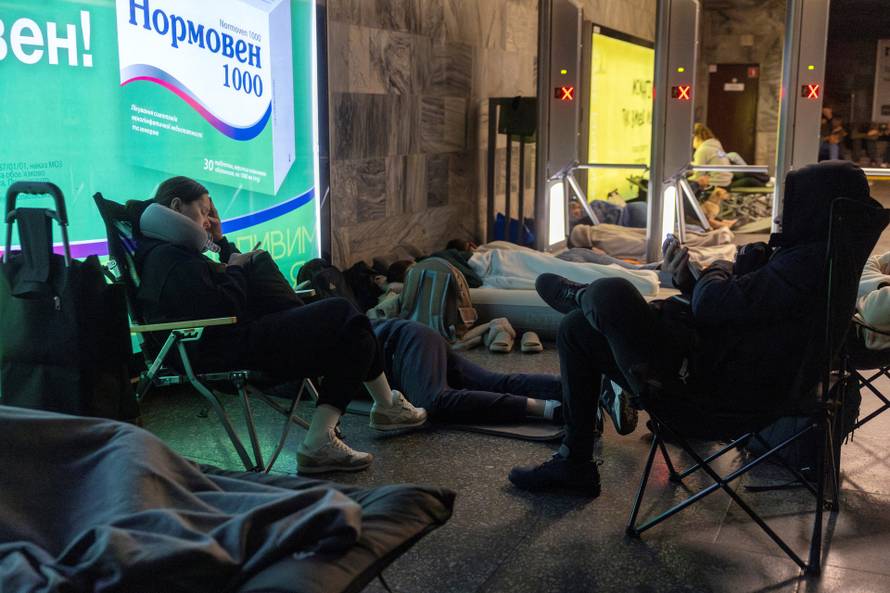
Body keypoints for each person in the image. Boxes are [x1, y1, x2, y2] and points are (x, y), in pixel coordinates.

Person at [508, 161, 870, 496]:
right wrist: (690, 281)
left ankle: (588, 302)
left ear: (816, 208)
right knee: (576, 330)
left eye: (792, 202)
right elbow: (738, 312)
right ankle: (575, 463)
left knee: (611, 291)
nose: (780, 214)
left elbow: (716, 303)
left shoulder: (808, 266)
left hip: (713, 395)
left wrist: (716, 267)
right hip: (715, 371)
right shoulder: (820, 261)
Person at [132, 177, 427, 475]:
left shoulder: (176, 253)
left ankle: (322, 440)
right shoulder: (167, 259)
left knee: (356, 335)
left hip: (234, 337)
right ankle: (384, 406)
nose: (209, 221)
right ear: (176, 206)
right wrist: (235, 268)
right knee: (342, 313)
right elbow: (223, 308)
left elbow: (221, 298)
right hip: (222, 348)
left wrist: (222, 245)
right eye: (204, 211)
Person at [371, 319, 563, 424]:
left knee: (432, 402)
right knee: (491, 381)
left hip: (404, 343)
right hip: (414, 337)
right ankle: (573, 386)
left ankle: (551, 409)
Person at [689, 123, 732, 192]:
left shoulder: (702, 150)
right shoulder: (716, 147)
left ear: (696, 137)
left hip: (715, 185)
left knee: (685, 184)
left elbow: (698, 176)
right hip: (727, 183)